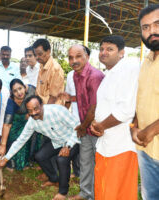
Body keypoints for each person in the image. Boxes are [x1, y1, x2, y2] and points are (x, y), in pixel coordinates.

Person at [0, 95, 80, 200]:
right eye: (30, 111)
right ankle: (54, 179)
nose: (33, 113)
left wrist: (68, 146)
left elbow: (78, 127)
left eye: (36, 108)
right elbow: (20, 140)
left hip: (73, 140)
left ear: (42, 105)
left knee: (62, 160)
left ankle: (63, 192)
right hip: (57, 142)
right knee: (40, 156)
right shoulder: (32, 122)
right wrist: (5, 159)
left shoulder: (57, 111)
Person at [90, 35, 139, 200]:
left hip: (121, 145)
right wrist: (96, 126)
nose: (104, 53)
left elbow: (126, 110)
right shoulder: (109, 73)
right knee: (104, 189)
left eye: (110, 49)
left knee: (118, 191)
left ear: (122, 52)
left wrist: (101, 126)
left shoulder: (129, 69)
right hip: (106, 144)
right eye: (102, 49)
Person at [63, 44, 104, 200]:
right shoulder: (75, 75)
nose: (74, 60)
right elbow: (81, 101)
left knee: (98, 164)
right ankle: (86, 193)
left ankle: (98, 194)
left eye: (78, 56)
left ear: (87, 56)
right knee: (85, 162)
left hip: (97, 128)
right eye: (71, 57)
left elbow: (94, 107)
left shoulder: (95, 76)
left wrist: (83, 126)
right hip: (84, 127)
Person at [131, 4, 159, 199]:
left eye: (157, 24)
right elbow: (139, 100)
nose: (152, 32)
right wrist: (134, 126)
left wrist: (150, 130)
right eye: (146, 27)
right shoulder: (145, 63)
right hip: (147, 150)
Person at [0, 79, 36, 170]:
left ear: (24, 87)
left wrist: (30, 113)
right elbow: (7, 124)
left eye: (20, 88)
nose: (19, 93)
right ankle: (11, 162)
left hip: (31, 120)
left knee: (31, 137)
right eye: (15, 91)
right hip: (16, 122)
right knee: (14, 137)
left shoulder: (32, 91)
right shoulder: (11, 102)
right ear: (11, 92)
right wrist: (3, 145)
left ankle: (28, 161)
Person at [33, 39, 64, 105]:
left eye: (40, 54)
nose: (37, 57)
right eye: (35, 55)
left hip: (51, 110)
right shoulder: (41, 65)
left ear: (48, 52)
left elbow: (53, 98)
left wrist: (45, 113)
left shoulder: (55, 69)